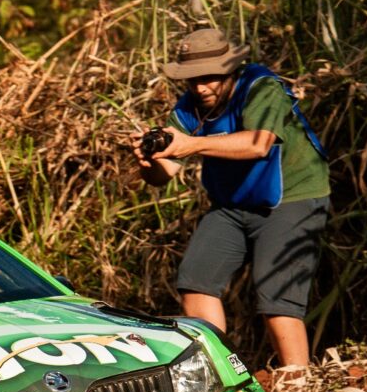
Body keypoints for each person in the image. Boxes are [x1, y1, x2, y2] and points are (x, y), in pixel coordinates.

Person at [133, 27, 330, 368]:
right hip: (233, 206)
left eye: (209, 78)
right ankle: (220, 373)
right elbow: (163, 175)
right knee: (195, 280)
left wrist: (191, 144)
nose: (201, 87)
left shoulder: (261, 87)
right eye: (192, 79)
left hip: (293, 198)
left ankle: (299, 383)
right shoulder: (188, 108)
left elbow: (259, 144)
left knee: (276, 297)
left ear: (230, 70)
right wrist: (148, 162)